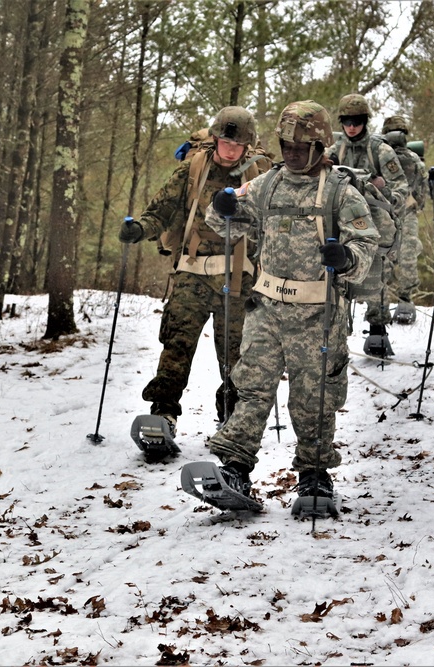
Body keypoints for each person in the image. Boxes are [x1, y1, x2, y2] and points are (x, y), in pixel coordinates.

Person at [202, 100, 380, 503]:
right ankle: (235, 467)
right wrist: (222, 207)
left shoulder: (339, 191)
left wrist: (347, 257)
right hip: (266, 308)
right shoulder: (268, 184)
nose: (291, 153)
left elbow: (365, 242)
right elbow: (226, 226)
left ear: (319, 146)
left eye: (300, 147)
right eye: (285, 146)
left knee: (314, 396)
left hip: (318, 314)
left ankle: (315, 474)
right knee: (251, 386)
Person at [118, 106, 270, 430]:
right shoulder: (193, 169)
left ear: (248, 145)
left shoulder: (259, 176)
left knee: (236, 353)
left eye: (237, 145)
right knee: (177, 341)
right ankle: (163, 413)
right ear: (214, 139)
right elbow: (158, 212)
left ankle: (231, 415)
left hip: (238, 276)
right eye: (224, 142)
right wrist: (139, 229)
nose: (230, 150)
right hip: (192, 271)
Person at [328, 93, 409, 356]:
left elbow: (401, 189)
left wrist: (382, 192)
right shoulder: (334, 150)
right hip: (341, 221)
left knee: (377, 275)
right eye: (347, 121)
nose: (352, 126)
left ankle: (377, 329)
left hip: (376, 222)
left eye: (357, 121)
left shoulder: (380, 150)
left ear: (365, 121)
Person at [381, 114, 428, 323]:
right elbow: (422, 195)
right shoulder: (409, 159)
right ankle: (382, 303)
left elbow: (421, 192)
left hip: (404, 213)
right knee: (384, 258)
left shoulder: (412, 160)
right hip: (383, 212)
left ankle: (405, 299)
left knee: (407, 255)